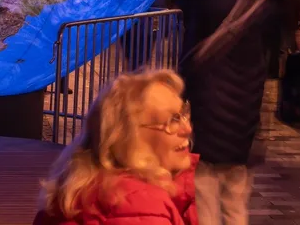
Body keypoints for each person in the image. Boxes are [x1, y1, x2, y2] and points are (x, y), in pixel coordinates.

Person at [174, 0, 275, 225]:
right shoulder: (257, 6)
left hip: (207, 121)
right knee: (236, 199)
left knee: (204, 193)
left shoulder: (202, 6)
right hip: (243, 123)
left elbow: (190, 65)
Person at [34, 69, 197, 225]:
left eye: (184, 114)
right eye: (173, 120)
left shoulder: (84, 178)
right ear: (130, 135)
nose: (187, 129)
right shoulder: (137, 203)